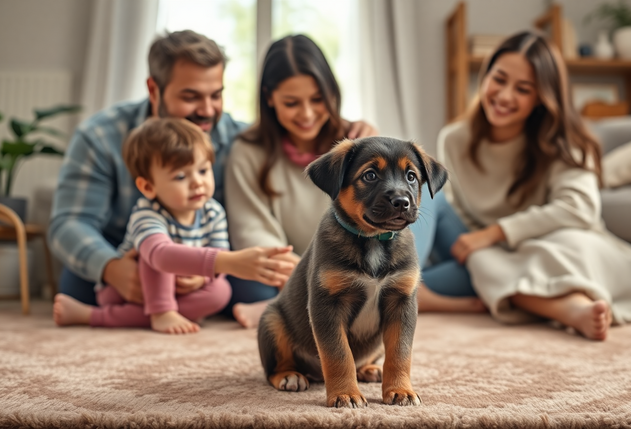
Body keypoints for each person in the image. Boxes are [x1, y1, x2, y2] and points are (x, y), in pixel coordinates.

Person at [48, 30, 374, 318]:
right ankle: (113, 310)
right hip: (127, 253)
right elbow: (69, 223)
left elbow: (292, 136)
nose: (206, 110)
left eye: (215, 94)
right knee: (77, 286)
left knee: (254, 291)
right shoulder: (100, 137)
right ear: (154, 89)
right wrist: (112, 269)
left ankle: (152, 311)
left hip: (201, 259)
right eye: (190, 96)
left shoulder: (235, 137)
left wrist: (359, 140)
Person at [225, 34, 485, 328]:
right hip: (310, 266)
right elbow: (252, 232)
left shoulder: (358, 140)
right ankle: (398, 296)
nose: (307, 113)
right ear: (269, 97)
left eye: (317, 99)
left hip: (375, 254)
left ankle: (409, 289)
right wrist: (307, 279)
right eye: (291, 102)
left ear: (332, 93)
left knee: (467, 251)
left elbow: (392, 201)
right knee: (245, 284)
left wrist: (371, 141)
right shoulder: (248, 151)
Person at [437, 31, 631, 341]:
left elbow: (579, 208)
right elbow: (457, 211)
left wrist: (497, 233)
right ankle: (568, 308)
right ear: (485, 76)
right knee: (471, 251)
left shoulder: (564, 142)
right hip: (492, 257)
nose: (504, 96)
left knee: (554, 248)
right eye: (499, 79)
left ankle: (569, 307)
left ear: (543, 97)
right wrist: (486, 242)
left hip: (559, 246)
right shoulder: (454, 139)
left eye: (523, 89)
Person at [53, 118, 294, 333]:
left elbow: (217, 254)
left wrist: (202, 280)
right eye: (181, 177)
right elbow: (161, 256)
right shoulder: (147, 214)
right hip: (130, 289)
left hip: (183, 290)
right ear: (148, 187)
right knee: (152, 260)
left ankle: (168, 312)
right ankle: (108, 315)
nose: (197, 183)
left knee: (221, 292)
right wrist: (229, 262)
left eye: (202, 170)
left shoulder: (213, 211)